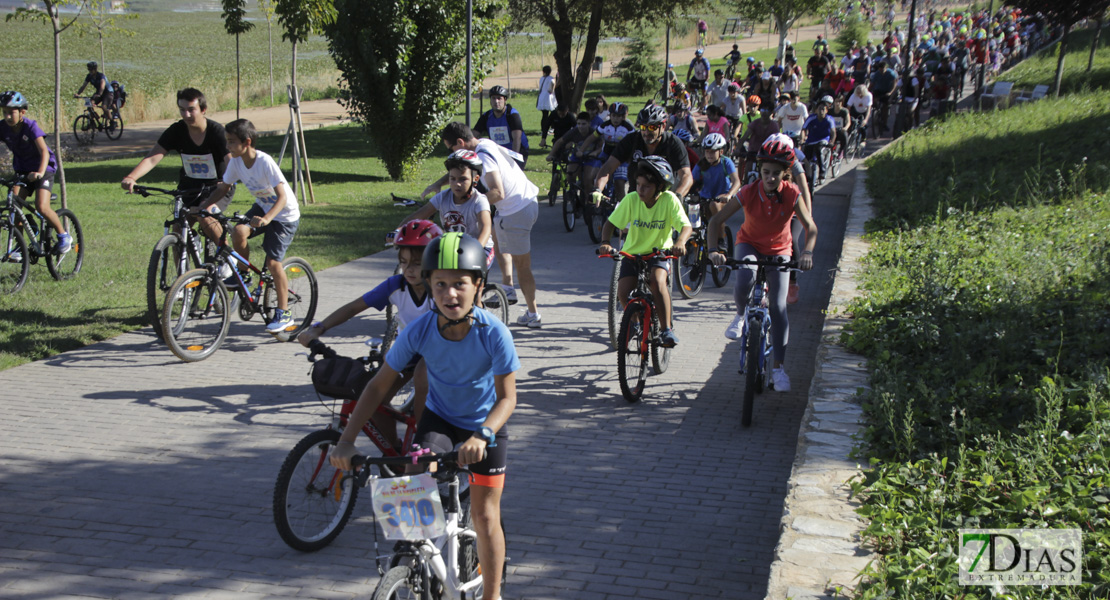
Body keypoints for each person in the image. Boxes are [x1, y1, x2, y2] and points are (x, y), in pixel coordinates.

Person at [328, 232, 518, 600]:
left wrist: (482, 434)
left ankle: (492, 595)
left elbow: (508, 399)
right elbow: (377, 387)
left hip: (485, 426)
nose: (450, 294)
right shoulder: (419, 330)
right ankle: (412, 561)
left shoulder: (494, 333)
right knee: (413, 479)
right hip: (440, 419)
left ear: (478, 285)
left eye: (460, 284)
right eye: (440, 284)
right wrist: (347, 440)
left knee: (485, 516)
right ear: (429, 285)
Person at [297, 219, 441, 445]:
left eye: (416, 263)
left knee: (423, 390)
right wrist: (319, 328)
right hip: (407, 351)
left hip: (439, 353)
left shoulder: (441, 288)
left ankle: (423, 449)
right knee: (373, 398)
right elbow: (354, 307)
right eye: (403, 262)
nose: (408, 269)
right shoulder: (396, 285)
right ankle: (393, 455)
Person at [707, 139, 818, 392]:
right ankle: (739, 315)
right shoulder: (748, 191)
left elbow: (811, 227)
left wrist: (808, 251)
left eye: (775, 174)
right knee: (745, 274)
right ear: (760, 171)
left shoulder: (792, 193)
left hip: (779, 249)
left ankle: (778, 369)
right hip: (750, 244)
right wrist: (714, 250)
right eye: (765, 172)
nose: (769, 178)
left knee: (779, 307)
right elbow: (716, 221)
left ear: (785, 174)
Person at [426, 122, 543, 327]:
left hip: (517, 210)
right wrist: (439, 183)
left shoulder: (484, 157)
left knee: (522, 266)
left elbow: (498, 192)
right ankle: (507, 287)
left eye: (451, 148)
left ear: (461, 143)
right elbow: (463, 167)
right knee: (495, 236)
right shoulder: (484, 143)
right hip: (522, 204)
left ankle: (533, 314)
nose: (451, 153)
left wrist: (471, 206)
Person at [196, 119, 300, 332]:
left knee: (273, 264)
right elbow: (223, 188)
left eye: (232, 142)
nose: (228, 146)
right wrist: (203, 207)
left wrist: (268, 219)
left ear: (247, 142)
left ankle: (284, 313)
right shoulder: (235, 161)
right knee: (238, 231)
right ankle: (244, 274)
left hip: (284, 214)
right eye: (227, 141)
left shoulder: (264, 161)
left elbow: (281, 197)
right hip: (262, 208)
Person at [597, 157, 691, 347]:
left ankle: (666, 329)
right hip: (632, 255)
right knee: (623, 292)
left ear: (659, 187)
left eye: (646, 186)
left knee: (657, 282)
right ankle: (635, 323)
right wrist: (605, 242)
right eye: (638, 185)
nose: (640, 190)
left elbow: (685, 226)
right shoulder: (631, 199)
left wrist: (680, 242)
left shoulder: (669, 200)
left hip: (659, 254)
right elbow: (610, 224)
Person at [121, 87, 232, 244]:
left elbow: (231, 163)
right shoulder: (177, 130)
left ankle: (227, 260)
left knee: (205, 215)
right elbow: (153, 157)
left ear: (203, 110)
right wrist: (131, 177)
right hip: (189, 187)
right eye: (182, 110)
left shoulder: (217, 132)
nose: (186, 115)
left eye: (191, 110)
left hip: (218, 187)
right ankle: (183, 266)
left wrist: (227, 181)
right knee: (178, 228)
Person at [0, 91, 71, 254]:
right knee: (14, 205)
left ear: (22, 112)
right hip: (22, 171)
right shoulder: (3, 128)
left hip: (43, 169)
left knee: (41, 206)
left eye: (11, 112)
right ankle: (22, 244)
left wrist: (39, 172)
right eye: (4, 112)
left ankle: (63, 235)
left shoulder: (30, 127)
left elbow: (44, 152)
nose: (8, 116)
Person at [402, 151, 493, 266]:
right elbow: (417, 216)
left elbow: (485, 229)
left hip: (481, 247)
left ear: (475, 179)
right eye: (452, 179)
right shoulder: (443, 197)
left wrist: (475, 250)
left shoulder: (479, 200)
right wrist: (398, 230)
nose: (457, 184)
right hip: (452, 246)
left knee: (468, 274)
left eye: (462, 179)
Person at [592, 104, 693, 203]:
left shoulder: (673, 143)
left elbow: (686, 175)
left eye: (652, 127)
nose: (646, 132)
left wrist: (678, 196)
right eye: (643, 127)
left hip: (665, 201)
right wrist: (598, 189)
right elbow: (608, 167)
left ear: (663, 127)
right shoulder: (631, 140)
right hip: (636, 199)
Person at [547, 112, 605, 195]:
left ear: (589, 123)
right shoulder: (574, 131)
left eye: (584, 124)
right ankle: (572, 191)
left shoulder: (594, 133)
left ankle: (588, 201)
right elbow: (559, 142)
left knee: (587, 179)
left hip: (590, 158)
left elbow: (602, 146)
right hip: (577, 156)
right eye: (579, 124)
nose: (581, 126)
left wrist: (595, 152)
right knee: (570, 174)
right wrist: (551, 154)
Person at [474, 85, 529, 167]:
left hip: (517, 150)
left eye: (499, 98)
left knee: (512, 177)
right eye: (493, 98)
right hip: (497, 151)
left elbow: (517, 139)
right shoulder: (486, 116)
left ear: (505, 100)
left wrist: (513, 161)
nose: (496, 101)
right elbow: (474, 135)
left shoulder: (512, 115)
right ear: (490, 100)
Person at [590, 101, 634, 201]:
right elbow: (591, 138)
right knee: (593, 175)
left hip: (622, 157)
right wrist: (581, 149)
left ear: (623, 117)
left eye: (619, 116)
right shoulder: (604, 126)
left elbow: (634, 144)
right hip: (606, 154)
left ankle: (622, 207)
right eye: (614, 116)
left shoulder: (628, 128)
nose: (616, 119)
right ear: (610, 115)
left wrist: (630, 158)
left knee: (619, 183)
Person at [691, 133, 740, 219]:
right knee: (692, 213)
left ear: (721, 152)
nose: (709, 154)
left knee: (714, 206)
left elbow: (736, 181)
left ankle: (720, 230)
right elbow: (691, 181)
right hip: (705, 198)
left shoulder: (726, 162)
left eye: (713, 151)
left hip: (721, 199)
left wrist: (728, 194)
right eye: (707, 151)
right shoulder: (701, 164)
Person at [800, 96, 838, 183]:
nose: (821, 111)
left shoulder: (829, 119)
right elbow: (803, 129)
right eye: (819, 109)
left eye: (823, 109)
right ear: (816, 110)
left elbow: (833, 132)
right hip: (811, 140)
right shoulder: (811, 118)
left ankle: (822, 171)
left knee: (818, 148)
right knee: (805, 156)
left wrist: (832, 141)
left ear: (826, 111)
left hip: (823, 140)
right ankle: (806, 174)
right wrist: (802, 139)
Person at [537, 66, 558, 148]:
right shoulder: (551, 78)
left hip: (542, 97)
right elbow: (552, 86)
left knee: (544, 115)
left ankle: (543, 130)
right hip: (548, 97)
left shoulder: (542, 78)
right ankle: (551, 128)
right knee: (552, 114)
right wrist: (552, 90)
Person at [828, 95, 852, 159]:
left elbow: (848, 122)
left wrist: (845, 128)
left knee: (844, 136)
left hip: (841, 130)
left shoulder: (845, 111)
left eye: (839, 102)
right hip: (832, 130)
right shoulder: (830, 111)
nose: (837, 103)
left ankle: (842, 150)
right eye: (836, 101)